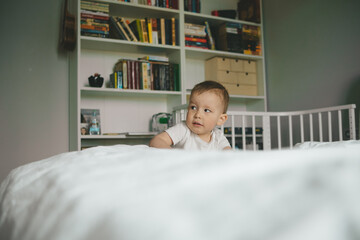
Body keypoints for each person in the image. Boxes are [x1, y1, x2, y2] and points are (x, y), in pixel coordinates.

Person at [149, 80, 231, 150]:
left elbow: (229, 155)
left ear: (221, 119)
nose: (197, 115)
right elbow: (157, 140)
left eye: (206, 110)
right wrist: (172, 154)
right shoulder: (183, 129)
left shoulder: (218, 136)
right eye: (193, 107)